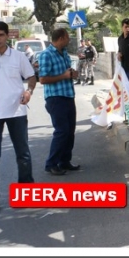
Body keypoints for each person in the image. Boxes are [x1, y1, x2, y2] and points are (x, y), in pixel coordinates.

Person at [0, 21, 36, 213]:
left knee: (23, 154)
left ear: (7, 36)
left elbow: (31, 77)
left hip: (16, 111)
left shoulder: (18, 57)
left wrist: (29, 91)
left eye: (0, 35)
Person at [38, 28, 81, 176]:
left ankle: (64, 161)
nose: (69, 40)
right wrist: (64, 76)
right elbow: (42, 79)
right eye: (67, 37)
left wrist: (72, 74)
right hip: (55, 98)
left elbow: (67, 72)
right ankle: (51, 164)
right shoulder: (46, 55)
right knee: (62, 131)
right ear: (61, 38)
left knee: (70, 132)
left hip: (68, 95)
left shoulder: (65, 53)